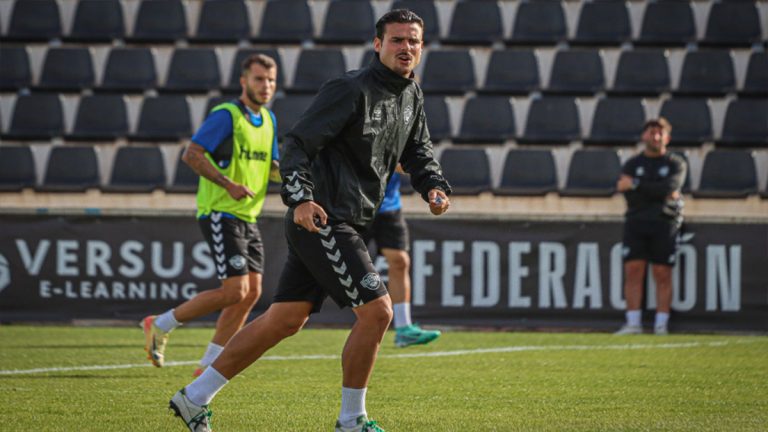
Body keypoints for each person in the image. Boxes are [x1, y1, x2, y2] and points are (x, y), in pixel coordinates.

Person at [168, 9, 451, 432]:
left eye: (413, 40)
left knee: (284, 320)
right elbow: (297, 143)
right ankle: (352, 420)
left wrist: (433, 185)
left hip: (351, 221)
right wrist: (300, 199)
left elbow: (418, 153)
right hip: (323, 218)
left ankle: (194, 398)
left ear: (421, 47)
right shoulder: (350, 88)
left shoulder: (412, 96)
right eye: (397, 40)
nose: (406, 47)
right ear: (378, 45)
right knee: (378, 313)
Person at [142, 54, 280, 375]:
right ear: (243, 81)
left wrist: (299, 178)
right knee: (236, 291)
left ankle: (207, 364)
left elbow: (272, 169)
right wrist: (228, 183)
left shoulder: (270, 121)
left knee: (252, 293)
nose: (266, 86)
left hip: (247, 215)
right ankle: (160, 325)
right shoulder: (227, 115)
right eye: (259, 79)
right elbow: (192, 154)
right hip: (220, 211)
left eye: (271, 80)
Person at [615, 117, 686, 335]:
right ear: (644, 136)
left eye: (659, 132)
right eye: (651, 132)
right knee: (633, 271)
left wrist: (637, 185)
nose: (655, 136)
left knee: (662, 272)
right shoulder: (632, 163)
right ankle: (633, 323)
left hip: (664, 222)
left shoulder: (676, 163)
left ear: (667, 137)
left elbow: (669, 188)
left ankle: (661, 324)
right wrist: (656, 192)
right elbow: (627, 193)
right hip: (636, 222)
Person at [365, 169, 441, 347]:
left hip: (390, 206)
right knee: (340, 262)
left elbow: (409, 159)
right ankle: (303, 313)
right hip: (355, 205)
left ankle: (404, 328)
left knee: (400, 261)